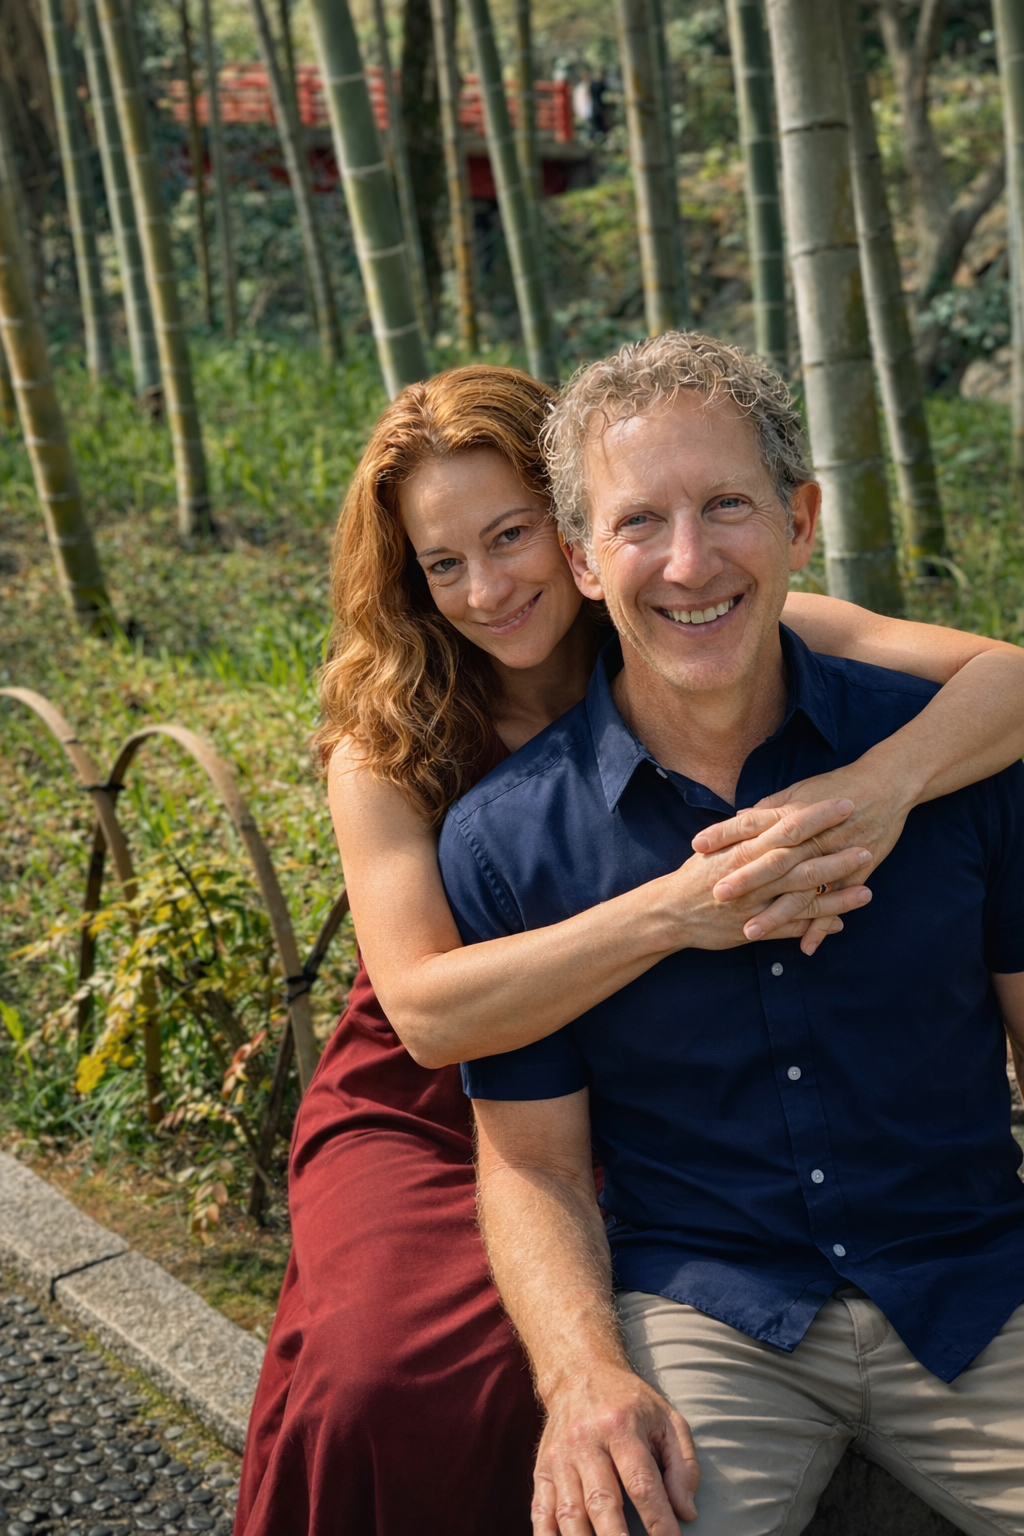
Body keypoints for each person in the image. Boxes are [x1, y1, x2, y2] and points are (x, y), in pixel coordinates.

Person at [234, 361, 1024, 1536]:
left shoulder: (711, 608)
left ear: (567, 537)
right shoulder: (393, 739)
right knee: (386, 1381)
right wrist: (676, 910)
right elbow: (430, 1019)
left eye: (508, 537)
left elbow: (1005, 679)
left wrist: (876, 788)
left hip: (633, 1080)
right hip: (431, 1080)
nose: (487, 589)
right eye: (442, 564)